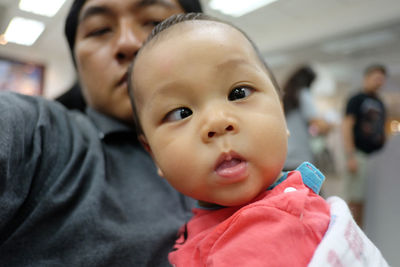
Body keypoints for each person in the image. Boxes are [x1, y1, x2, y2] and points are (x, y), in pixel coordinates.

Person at [128, 13, 388, 266]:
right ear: (152, 153)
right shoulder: (213, 221)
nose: (218, 122)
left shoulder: (269, 231)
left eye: (238, 93)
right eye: (181, 113)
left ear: (281, 114)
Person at [0, 0, 202, 266]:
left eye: (155, 22)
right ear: (78, 65)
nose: (128, 43)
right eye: (98, 30)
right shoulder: (40, 134)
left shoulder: (248, 143)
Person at [342, 64, 387, 227]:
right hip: (358, 155)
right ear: (366, 78)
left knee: (369, 199)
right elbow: (346, 126)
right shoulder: (356, 99)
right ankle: (351, 232)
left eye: (382, 79)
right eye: (376, 78)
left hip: (375, 158)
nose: (379, 82)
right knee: (356, 199)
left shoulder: (380, 103)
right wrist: (350, 155)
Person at [282, 65, 331, 171]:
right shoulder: (303, 94)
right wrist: (329, 125)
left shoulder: (286, 97)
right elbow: (317, 123)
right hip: (299, 157)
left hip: (284, 157)